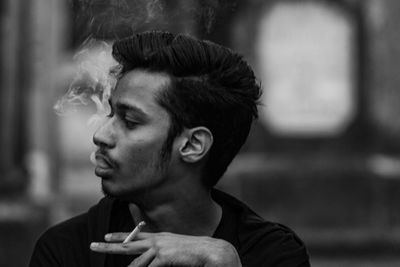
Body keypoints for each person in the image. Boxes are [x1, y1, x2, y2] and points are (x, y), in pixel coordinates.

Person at [29, 31, 310, 267]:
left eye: (130, 121)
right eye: (110, 114)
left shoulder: (273, 256)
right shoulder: (68, 252)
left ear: (192, 145)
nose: (101, 135)